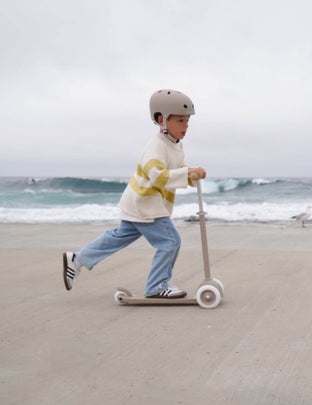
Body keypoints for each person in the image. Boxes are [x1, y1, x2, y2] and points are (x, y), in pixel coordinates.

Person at [63, 89, 206, 298]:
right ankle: (156, 287)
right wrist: (187, 172)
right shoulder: (156, 146)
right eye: (181, 121)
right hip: (146, 203)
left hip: (139, 202)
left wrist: (192, 174)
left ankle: (78, 259)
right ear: (162, 120)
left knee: (119, 236)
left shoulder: (175, 145)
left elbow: (179, 168)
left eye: (187, 121)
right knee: (170, 242)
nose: (186, 126)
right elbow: (157, 175)